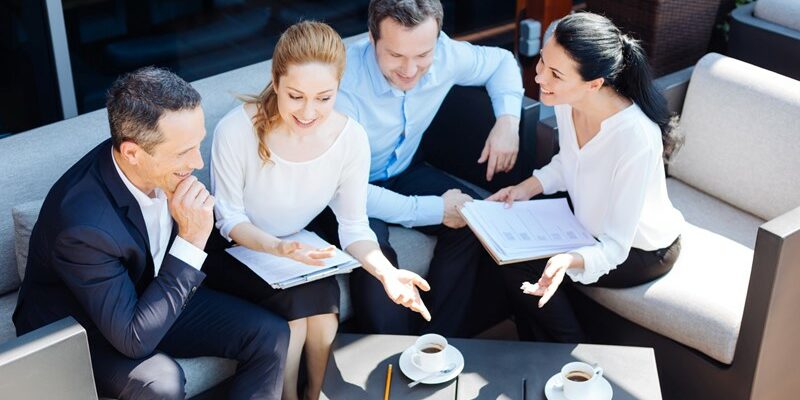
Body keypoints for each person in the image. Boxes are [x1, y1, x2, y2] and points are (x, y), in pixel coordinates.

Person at [12, 67, 290, 400]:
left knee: (270, 334)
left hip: (150, 290)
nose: (198, 162)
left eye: (198, 144)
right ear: (132, 153)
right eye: (183, 152)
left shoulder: (159, 170)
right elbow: (133, 338)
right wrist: (190, 239)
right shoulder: (83, 226)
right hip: (83, 329)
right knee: (161, 383)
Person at [205, 21, 432, 400]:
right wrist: (277, 248)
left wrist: (388, 274)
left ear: (338, 88)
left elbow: (354, 227)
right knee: (297, 317)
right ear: (275, 82)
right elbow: (229, 219)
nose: (308, 112)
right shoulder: (235, 131)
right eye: (296, 96)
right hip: (235, 249)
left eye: (324, 98)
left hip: (295, 246)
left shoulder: (350, 138)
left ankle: (315, 394)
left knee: (324, 308)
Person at [488, 12, 685, 342]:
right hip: (589, 229)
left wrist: (569, 259)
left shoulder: (635, 137)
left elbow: (616, 246)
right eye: (542, 62)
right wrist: (525, 189)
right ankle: (537, 353)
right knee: (507, 249)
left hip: (642, 250)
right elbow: (570, 162)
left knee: (524, 263)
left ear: (594, 84)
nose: (539, 76)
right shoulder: (567, 100)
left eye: (555, 74)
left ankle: (573, 354)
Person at [332, 0, 524, 336]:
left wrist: (508, 121)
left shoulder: (447, 55)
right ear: (372, 38)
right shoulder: (340, 86)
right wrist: (435, 209)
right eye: (396, 55)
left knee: (471, 219)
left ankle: (437, 341)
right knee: (373, 255)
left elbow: (502, 62)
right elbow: (344, 191)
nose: (410, 69)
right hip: (346, 188)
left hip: (404, 169)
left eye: (423, 55)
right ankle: (391, 353)